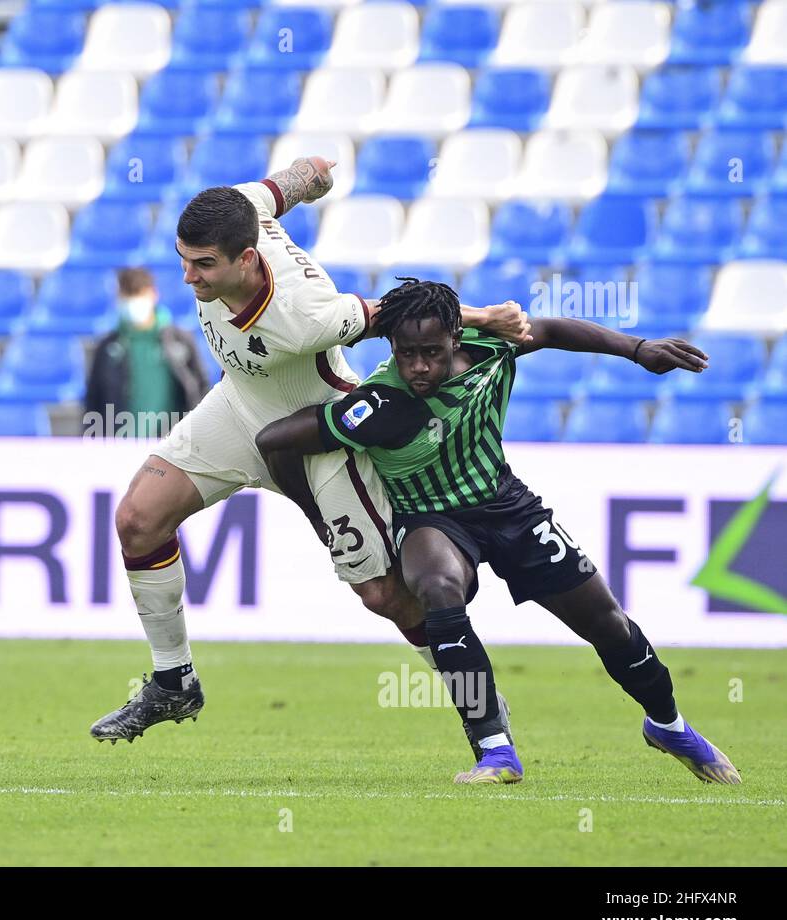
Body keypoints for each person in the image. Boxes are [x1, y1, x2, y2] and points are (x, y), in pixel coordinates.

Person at [89, 157, 530, 754]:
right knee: (137, 521)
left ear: (246, 259)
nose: (188, 278)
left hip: (321, 437)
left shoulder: (303, 314)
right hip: (239, 410)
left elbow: (396, 317)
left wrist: (484, 317)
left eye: (203, 265)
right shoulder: (237, 212)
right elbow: (282, 187)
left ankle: (478, 702)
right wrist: (313, 175)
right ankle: (174, 681)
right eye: (183, 260)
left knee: (384, 595)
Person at [255, 278, 740, 785]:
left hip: (510, 507)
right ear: (391, 348)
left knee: (606, 622)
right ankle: (494, 749)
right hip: (431, 518)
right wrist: (321, 520)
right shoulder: (379, 404)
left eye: (432, 353)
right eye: (407, 354)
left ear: (456, 339)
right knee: (438, 588)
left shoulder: (491, 347)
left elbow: (550, 329)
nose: (419, 367)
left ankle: (668, 724)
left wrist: (638, 349)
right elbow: (275, 441)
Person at [84, 266, 209, 439]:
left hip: (172, 446)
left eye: (138, 293)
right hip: (120, 447)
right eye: (127, 295)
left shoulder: (180, 341)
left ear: (153, 294)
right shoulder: (106, 347)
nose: (133, 301)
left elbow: (199, 389)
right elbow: (93, 400)